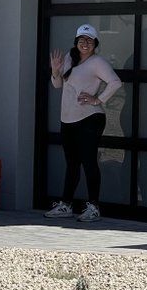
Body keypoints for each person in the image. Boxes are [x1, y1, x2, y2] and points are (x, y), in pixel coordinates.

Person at [45, 24, 122, 222]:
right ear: (76, 42)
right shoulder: (71, 58)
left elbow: (115, 82)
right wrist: (55, 71)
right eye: (82, 39)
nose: (85, 43)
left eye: (89, 40)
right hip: (68, 118)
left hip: (90, 118)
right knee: (71, 164)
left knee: (89, 162)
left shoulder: (98, 62)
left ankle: (93, 207)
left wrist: (98, 100)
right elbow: (57, 85)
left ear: (95, 43)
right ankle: (66, 205)